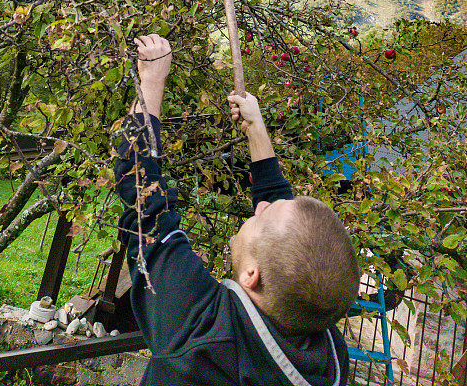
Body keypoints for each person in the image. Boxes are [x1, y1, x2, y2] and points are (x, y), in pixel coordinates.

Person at [114, 34, 360, 386]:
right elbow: (285, 236)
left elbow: (140, 187)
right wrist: (255, 128)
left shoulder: (198, 335)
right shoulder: (326, 353)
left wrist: (151, 80)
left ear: (252, 275)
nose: (261, 204)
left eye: (262, 216)